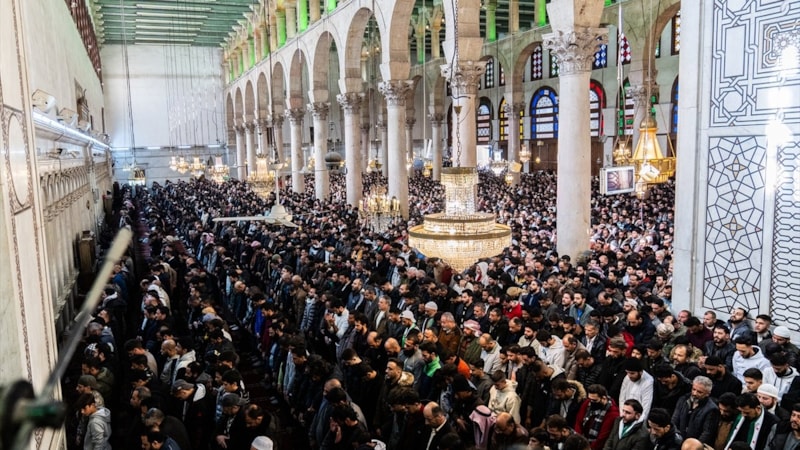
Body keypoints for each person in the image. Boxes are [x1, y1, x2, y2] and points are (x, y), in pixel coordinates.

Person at [671, 376, 719, 445]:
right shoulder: (683, 400)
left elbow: (707, 433)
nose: (694, 393)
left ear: (707, 394)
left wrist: (693, 446)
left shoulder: (712, 409)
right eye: (693, 389)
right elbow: (674, 421)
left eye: (699, 392)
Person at [574, 384, 619, 450]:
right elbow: (579, 421)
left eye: (594, 400)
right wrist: (578, 441)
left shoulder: (613, 413)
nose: (591, 402)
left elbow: (602, 437)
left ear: (603, 398)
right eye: (590, 399)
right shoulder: (588, 403)